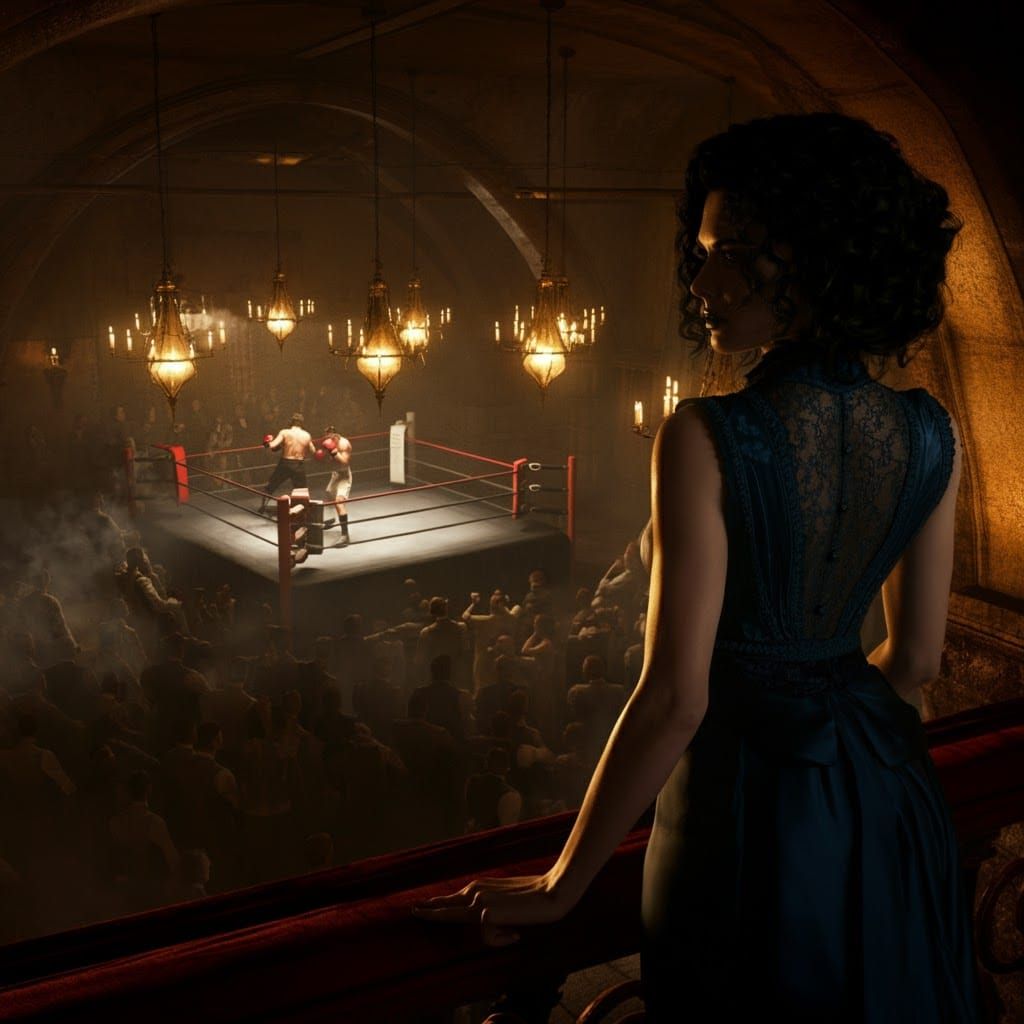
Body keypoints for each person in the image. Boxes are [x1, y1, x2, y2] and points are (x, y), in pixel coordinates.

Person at [414, 112, 978, 1022]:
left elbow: (678, 695)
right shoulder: (928, 432)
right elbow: (914, 663)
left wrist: (562, 883)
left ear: (819, 258)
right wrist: (835, 747)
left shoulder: (708, 435)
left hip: (745, 804)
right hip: (887, 800)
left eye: (737, 252)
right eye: (704, 250)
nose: (701, 279)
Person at [258, 412, 315, 517]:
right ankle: (307, 513)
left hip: (285, 463)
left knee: (271, 485)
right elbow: (313, 451)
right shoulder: (307, 435)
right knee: (302, 490)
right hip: (299, 464)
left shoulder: (285, 432)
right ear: (301, 423)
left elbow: (272, 445)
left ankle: (262, 507)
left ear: (291, 422)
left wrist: (267, 441)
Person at [318, 425, 353, 546]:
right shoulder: (326, 443)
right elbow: (326, 461)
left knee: (339, 502)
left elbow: (344, 461)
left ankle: (345, 535)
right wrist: (321, 456)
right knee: (328, 496)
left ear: (335, 436)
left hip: (344, 476)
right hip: (335, 475)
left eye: (330, 436)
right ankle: (331, 520)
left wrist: (334, 452)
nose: (327, 439)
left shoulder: (344, 443)